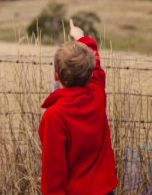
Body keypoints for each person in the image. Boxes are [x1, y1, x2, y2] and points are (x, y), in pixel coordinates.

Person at [39, 19, 118, 195]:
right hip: (105, 189)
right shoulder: (96, 95)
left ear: (56, 74)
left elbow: (53, 172)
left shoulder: (54, 117)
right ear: (89, 74)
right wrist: (81, 37)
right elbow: (96, 66)